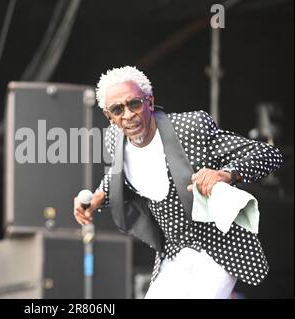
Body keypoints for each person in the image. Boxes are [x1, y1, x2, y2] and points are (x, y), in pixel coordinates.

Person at [73, 66, 283, 299]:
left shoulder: (190, 129)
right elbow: (120, 173)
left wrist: (226, 174)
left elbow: (268, 154)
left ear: (150, 102)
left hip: (218, 247)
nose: (128, 115)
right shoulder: (114, 138)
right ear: (108, 115)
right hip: (173, 250)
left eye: (134, 103)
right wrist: (100, 196)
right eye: (117, 109)